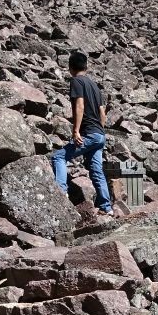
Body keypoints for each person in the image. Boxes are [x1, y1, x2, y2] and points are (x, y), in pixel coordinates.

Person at [49, 51, 113, 215]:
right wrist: (100, 131)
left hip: (89, 133)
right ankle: (107, 207)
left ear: (70, 67)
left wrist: (76, 130)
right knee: (96, 170)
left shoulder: (77, 81)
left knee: (59, 157)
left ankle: (60, 196)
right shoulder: (94, 86)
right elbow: (102, 114)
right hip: (99, 135)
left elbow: (79, 106)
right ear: (86, 66)